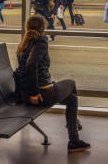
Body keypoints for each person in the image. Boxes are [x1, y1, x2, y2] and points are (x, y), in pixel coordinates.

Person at [15, 16, 91, 153]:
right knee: (71, 84)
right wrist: (34, 93)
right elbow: (31, 65)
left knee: (72, 99)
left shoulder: (24, 44)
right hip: (41, 94)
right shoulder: (40, 43)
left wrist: (27, 93)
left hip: (25, 95)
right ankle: (73, 129)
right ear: (43, 28)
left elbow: (22, 70)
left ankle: (74, 137)